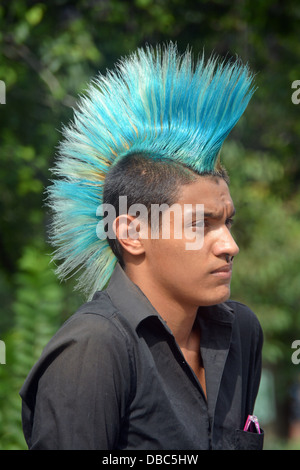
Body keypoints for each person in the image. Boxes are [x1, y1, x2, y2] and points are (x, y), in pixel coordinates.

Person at [20, 43, 264, 450]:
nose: (230, 245)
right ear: (131, 233)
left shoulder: (241, 333)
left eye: (227, 222)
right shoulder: (93, 350)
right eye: (201, 224)